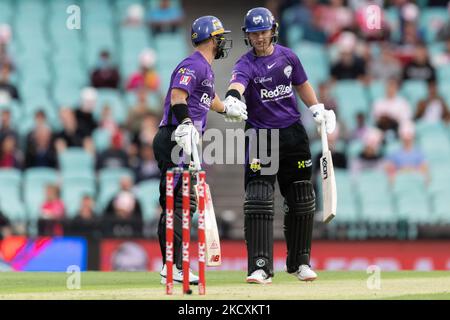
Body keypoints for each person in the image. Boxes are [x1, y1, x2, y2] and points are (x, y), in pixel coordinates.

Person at [225, 7, 335, 284]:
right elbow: (236, 84)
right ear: (247, 36)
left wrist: (317, 108)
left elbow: (302, 85)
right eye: (254, 34)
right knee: (259, 199)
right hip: (261, 136)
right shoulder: (245, 63)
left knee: (301, 198)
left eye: (263, 32)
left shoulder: (289, 56)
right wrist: (233, 99)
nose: (259, 38)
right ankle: (260, 267)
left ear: (272, 30)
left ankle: (300, 263)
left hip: (293, 135)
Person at [152, 15, 246, 286]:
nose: (223, 41)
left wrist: (226, 107)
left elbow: (207, 97)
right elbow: (178, 96)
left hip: (185, 141)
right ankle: (173, 267)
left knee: (185, 203)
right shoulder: (193, 64)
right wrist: (185, 124)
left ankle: (175, 265)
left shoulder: (205, 68)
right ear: (210, 38)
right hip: (176, 139)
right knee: (178, 204)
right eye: (219, 36)